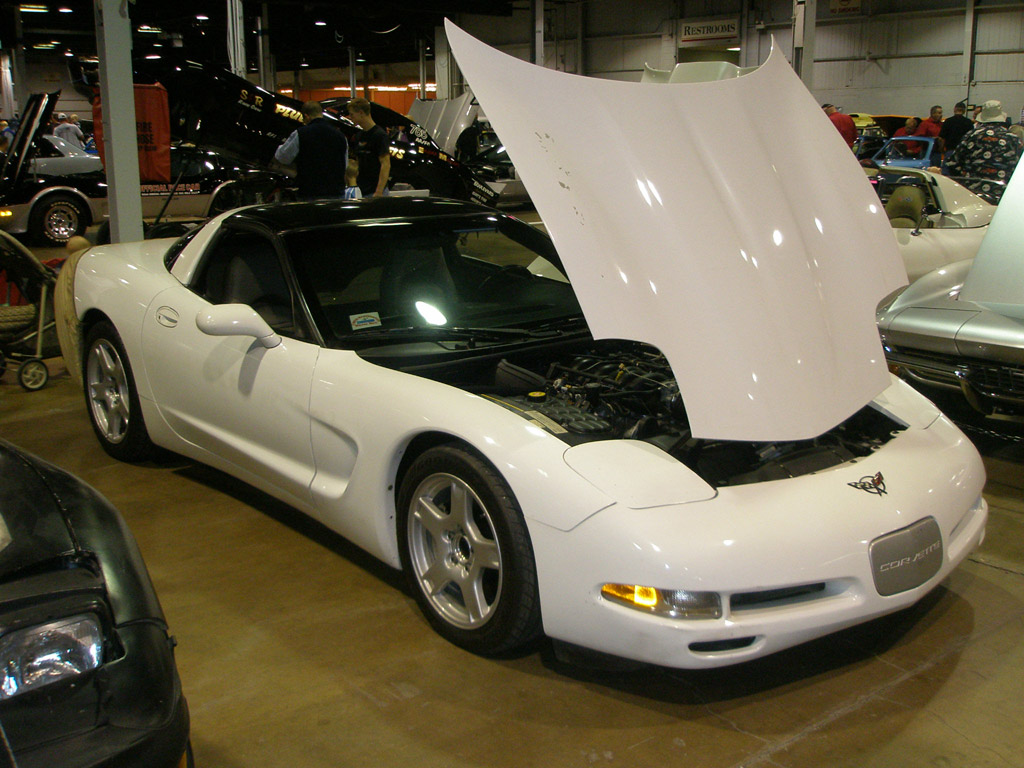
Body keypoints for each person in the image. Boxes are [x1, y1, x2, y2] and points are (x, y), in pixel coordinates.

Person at [938, 100, 1023, 203]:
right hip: (1004, 195)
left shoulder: (971, 135)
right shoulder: (1013, 138)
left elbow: (953, 163)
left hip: (974, 194)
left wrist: (965, 176)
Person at [273, 101, 348, 199]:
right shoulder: (340, 136)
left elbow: (283, 157)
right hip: (336, 193)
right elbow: (345, 164)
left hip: (310, 193)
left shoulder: (300, 134)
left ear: (306, 116)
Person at [346, 98, 391, 197]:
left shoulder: (379, 135)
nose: (350, 117)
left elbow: (385, 164)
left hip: (376, 191)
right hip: (362, 190)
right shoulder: (358, 136)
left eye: (352, 114)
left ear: (361, 113)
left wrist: (379, 191)